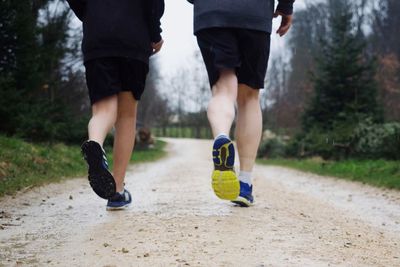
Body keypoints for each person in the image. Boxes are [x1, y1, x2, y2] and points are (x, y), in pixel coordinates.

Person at [188, 0, 295, 207]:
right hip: (254, 14)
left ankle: (221, 135)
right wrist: (286, 6)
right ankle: (244, 184)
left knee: (223, 87)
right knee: (249, 97)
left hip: (212, 13)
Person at [66, 0, 165, 210]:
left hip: (98, 38)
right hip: (134, 39)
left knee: (103, 110)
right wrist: (155, 35)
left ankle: (95, 144)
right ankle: (117, 191)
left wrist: (92, 13)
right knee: (127, 117)